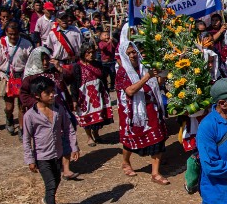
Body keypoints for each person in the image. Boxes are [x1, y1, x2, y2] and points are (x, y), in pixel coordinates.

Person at [22, 76, 80, 204]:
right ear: (37, 95)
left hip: (57, 154)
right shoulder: (30, 116)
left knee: (57, 179)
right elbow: (26, 139)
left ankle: (48, 199)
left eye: (52, 91)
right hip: (42, 157)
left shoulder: (58, 110)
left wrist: (74, 147)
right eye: (47, 93)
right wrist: (29, 159)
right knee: (51, 184)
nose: (52, 95)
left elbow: (68, 129)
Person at [115, 24, 169, 184]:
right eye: (129, 53)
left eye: (134, 52)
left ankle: (155, 173)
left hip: (151, 108)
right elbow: (130, 91)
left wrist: (163, 73)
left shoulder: (144, 67)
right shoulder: (122, 73)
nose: (133, 55)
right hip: (133, 112)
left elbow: (157, 83)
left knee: (158, 138)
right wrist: (146, 77)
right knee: (131, 139)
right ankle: (126, 161)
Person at [0, 21, 32, 136]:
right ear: (7, 33)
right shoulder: (1, 43)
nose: (13, 37)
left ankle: (22, 130)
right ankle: (9, 118)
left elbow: (32, 62)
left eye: (15, 34)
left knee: (22, 106)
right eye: (10, 34)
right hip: (7, 78)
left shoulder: (26, 44)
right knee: (9, 106)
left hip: (22, 77)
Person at [70, 44, 113, 146]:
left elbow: (103, 79)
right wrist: (74, 99)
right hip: (84, 96)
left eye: (92, 52)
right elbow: (74, 84)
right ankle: (89, 137)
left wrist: (106, 92)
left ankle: (96, 134)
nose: (91, 55)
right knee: (87, 117)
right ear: (83, 54)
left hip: (98, 95)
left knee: (99, 116)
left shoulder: (98, 64)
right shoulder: (77, 67)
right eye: (88, 53)